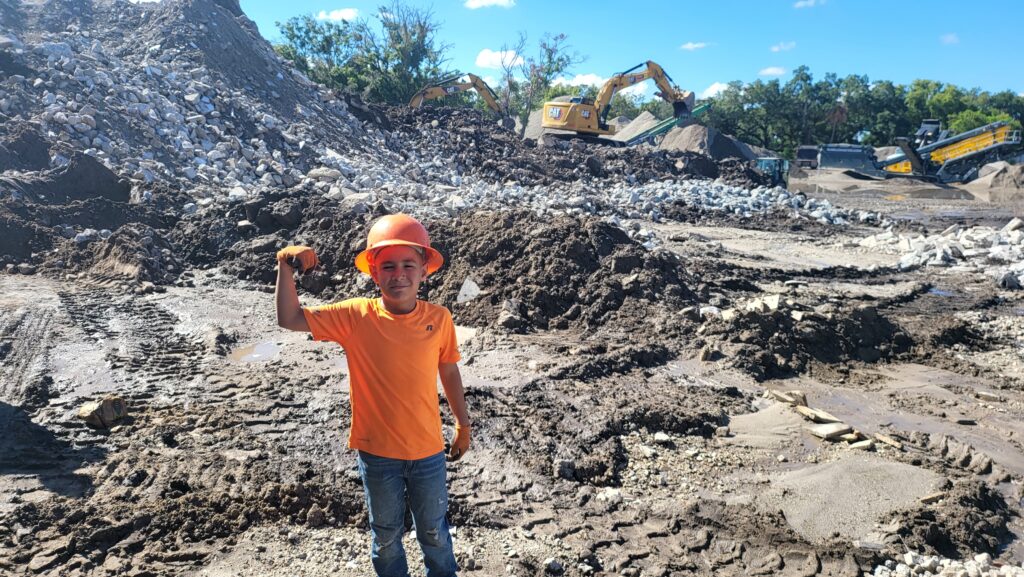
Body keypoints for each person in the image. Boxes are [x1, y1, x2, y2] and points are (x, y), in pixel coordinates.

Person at [274, 213, 471, 577]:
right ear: (373, 272)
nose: (399, 274)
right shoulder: (355, 316)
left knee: (435, 533)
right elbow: (289, 318)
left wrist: (463, 424)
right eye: (388, 265)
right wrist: (285, 266)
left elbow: (448, 369)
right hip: (377, 454)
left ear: (424, 269)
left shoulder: (439, 318)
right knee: (385, 536)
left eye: (408, 264)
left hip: (428, 451)